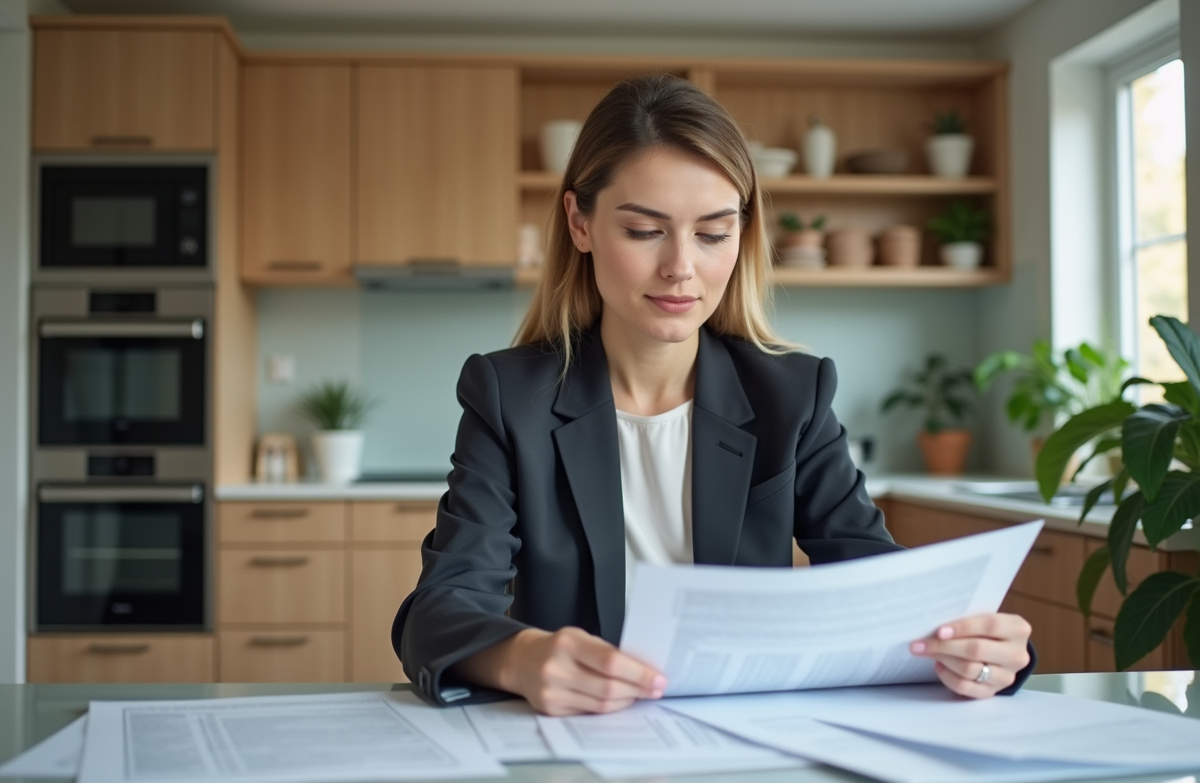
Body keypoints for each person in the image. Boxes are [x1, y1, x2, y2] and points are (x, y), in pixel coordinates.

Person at [393, 74, 1033, 716]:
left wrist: (980, 649)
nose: (681, 266)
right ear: (579, 222)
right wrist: (523, 658)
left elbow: (880, 586)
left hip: (748, 738)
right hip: (579, 742)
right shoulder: (511, 396)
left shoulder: (792, 395)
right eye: (645, 231)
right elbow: (439, 611)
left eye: (712, 232)